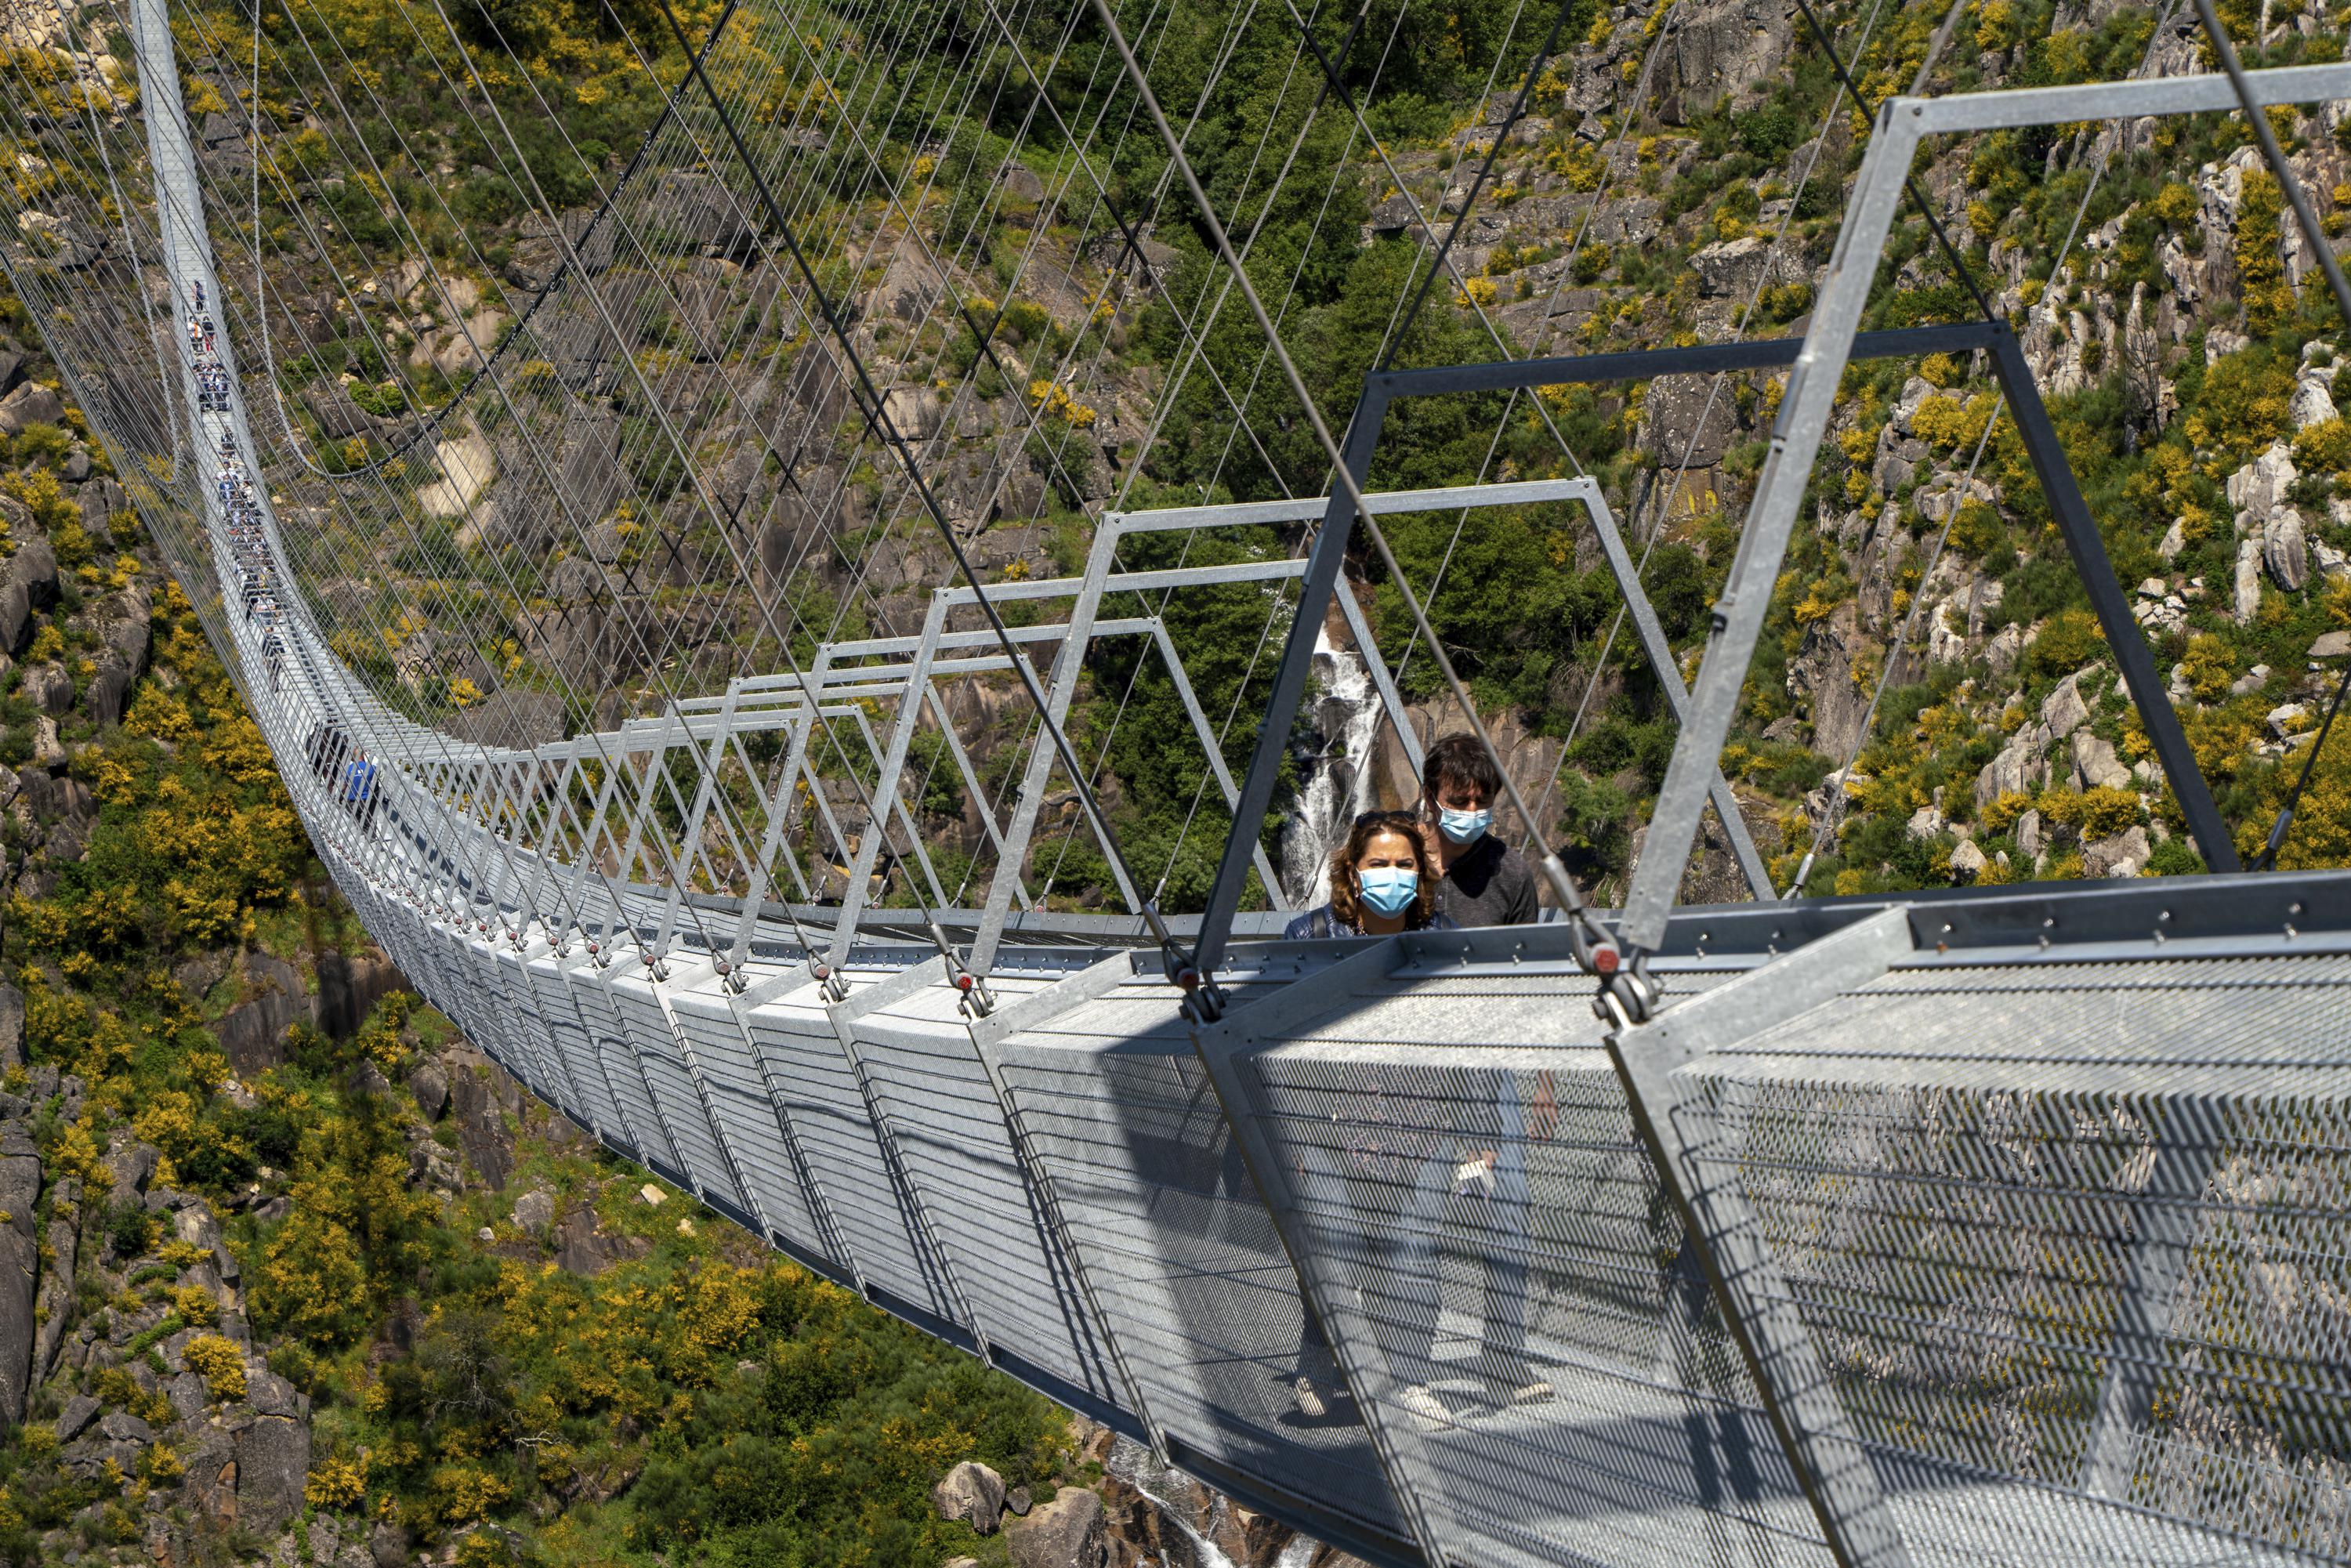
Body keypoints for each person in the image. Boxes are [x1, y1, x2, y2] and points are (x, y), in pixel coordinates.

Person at [1417, 733, 1538, 928]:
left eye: (1482, 801)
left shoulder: (1512, 873)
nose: (1473, 810)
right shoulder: (1392, 856)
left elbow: (1524, 951)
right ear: (1430, 799)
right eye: (1460, 801)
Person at [1282, 811, 1456, 940]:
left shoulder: (1446, 935)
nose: (1392, 874)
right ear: (1352, 874)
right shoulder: (1307, 935)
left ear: (1420, 872)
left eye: (1404, 864)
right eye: (1378, 864)